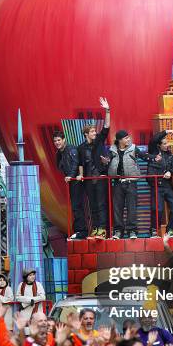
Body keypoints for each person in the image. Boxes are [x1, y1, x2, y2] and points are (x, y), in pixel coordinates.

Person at [107, 130, 160, 239]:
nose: (128, 139)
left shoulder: (133, 148)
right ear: (120, 140)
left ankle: (132, 231)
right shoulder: (112, 150)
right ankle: (118, 231)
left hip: (131, 182)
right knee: (117, 208)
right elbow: (107, 162)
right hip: (117, 182)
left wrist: (154, 157)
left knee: (132, 207)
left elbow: (143, 155)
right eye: (126, 138)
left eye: (128, 137)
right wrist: (105, 162)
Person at [77, 97, 111, 239]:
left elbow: (106, 128)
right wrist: (80, 175)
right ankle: (96, 228)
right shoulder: (81, 147)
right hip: (89, 179)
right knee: (93, 205)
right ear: (86, 134)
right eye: (92, 132)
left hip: (100, 177)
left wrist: (107, 110)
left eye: (94, 131)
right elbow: (80, 163)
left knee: (102, 204)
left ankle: (103, 229)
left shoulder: (98, 142)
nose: (94, 133)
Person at [147, 129, 173, 238]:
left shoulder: (170, 155)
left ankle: (170, 230)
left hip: (167, 185)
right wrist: (166, 131)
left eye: (167, 143)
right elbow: (154, 139)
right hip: (156, 185)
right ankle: (154, 230)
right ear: (158, 145)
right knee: (158, 209)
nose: (167, 145)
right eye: (164, 143)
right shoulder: (153, 152)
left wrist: (170, 172)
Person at [53, 129, 87, 240]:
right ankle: (78, 230)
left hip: (76, 181)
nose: (57, 142)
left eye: (59, 140)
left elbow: (75, 163)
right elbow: (59, 166)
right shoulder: (59, 153)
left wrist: (71, 176)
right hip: (72, 181)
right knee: (75, 206)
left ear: (64, 140)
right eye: (55, 141)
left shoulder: (71, 149)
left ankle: (81, 231)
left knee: (77, 206)